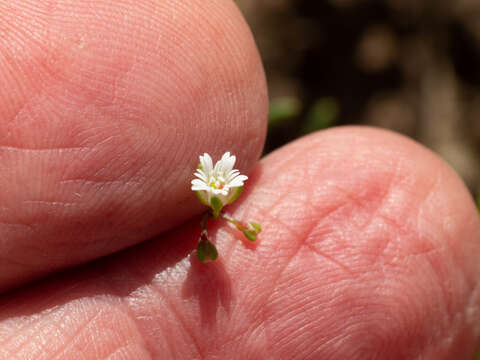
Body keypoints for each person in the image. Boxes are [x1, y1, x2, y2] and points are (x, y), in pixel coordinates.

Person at [0, 0, 479, 358]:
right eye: (213, 186)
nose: (213, 186)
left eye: (216, 186)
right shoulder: (208, 200)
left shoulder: (214, 200)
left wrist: (217, 215)